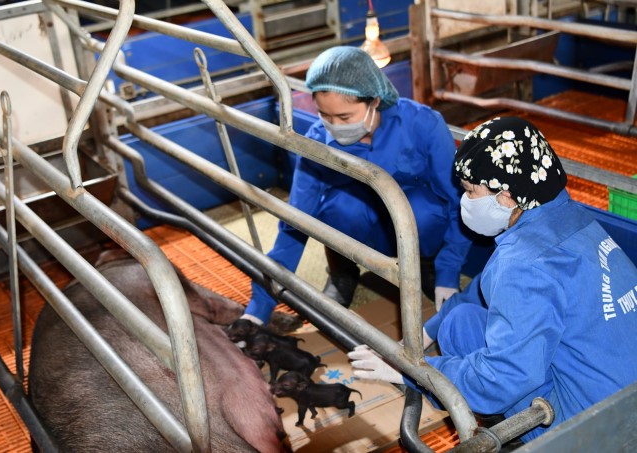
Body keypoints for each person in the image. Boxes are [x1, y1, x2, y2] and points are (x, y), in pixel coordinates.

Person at [348, 116, 637, 443]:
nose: (466, 201)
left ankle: (523, 439)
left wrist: (413, 372)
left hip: (598, 430)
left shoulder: (523, 263)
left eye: (471, 191)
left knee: (462, 334)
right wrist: (426, 332)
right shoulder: (569, 218)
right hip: (625, 399)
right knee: (457, 318)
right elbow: (492, 287)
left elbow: (501, 379)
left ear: (507, 196)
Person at [239, 46, 473, 326]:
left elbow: (460, 201)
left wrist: (449, 270)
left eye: (345, 118)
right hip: (360, 228)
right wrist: (258, 308)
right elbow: (294, 223)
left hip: (417, 230)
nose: (335, 126)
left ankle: (426, 266)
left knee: (424, 210)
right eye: (325, 116)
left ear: (374, 101)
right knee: (340, 206)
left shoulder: (423, 125)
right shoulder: (316, 143)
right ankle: (343, 272)